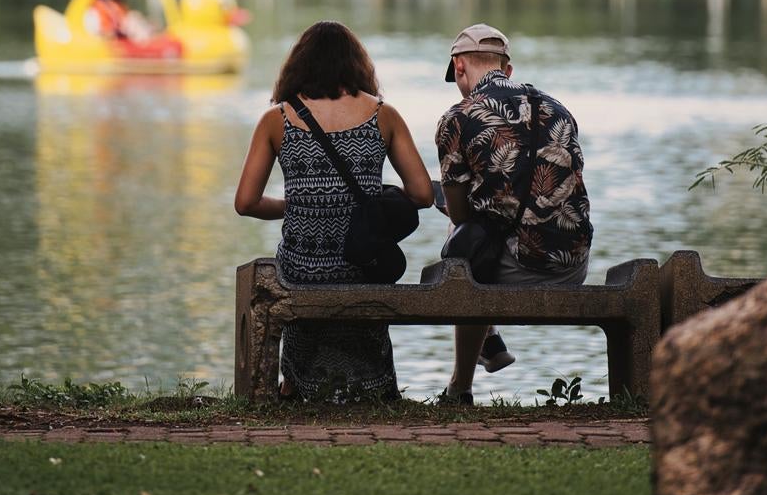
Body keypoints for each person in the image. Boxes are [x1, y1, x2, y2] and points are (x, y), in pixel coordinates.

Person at [234, 21, 434, 401]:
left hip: (302, 269)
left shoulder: (276, 120)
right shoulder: (383, 115)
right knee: (364, 263)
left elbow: (245, 202)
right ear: (358, 66)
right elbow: (423, 194)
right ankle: (373, 387)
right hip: (363, 265)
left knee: (290, 264)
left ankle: (297, 384)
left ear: (298, 66)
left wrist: (297, 205)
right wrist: (376, 199)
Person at [435, 23, 593, 404]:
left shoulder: (457, 118)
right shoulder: (559, 111)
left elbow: (460, 217)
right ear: (508, 69)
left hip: (525, 268)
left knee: (460, 247)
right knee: (485, 230)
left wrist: (447, 201)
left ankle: (461, 386)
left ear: (459, 67)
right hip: (573, 263)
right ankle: (488, 342)